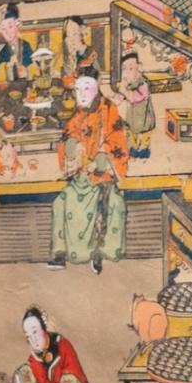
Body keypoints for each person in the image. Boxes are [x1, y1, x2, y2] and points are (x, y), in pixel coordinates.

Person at [48, 70, 130, 272]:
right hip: (81, 174)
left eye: (86, 88)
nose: (82, 94)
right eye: (78, 90)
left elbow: (117, 141)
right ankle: (60, 253)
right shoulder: (80, 111)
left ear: (96, 87)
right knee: (60, 203)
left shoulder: (108, 109)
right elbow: (70, 131)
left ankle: (96, 253)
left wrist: (102, 158)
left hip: (101, 175)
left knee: (104, 204)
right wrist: (70, 143)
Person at [11, 307, 91, 383]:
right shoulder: (34, 358)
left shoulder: (61, 346)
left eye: (35, 332)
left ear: (44, 328)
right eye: (28, 336)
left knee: (66, 380)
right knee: (23, 372)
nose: (33, 340)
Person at [117, 53, 157, 162]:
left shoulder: (143, 83)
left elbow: (136, 97)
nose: (127, 72)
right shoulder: (127, 84)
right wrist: (117, 98)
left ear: (139, 67)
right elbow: (121, 97)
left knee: (144, 138)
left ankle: (143, 154)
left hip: (144, 118)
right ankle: (133, 153)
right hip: (133, 117)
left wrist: (124, 92)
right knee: (131, 135)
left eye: (131, 68)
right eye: (124, 69)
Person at [0, 1, 35, 89]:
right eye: (4, 28)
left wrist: (26, 72)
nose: (7, 32)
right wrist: (7, 67)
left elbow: (34, 71)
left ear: (18, 24)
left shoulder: (25, 46)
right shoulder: (1, 50)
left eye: (10, 27)